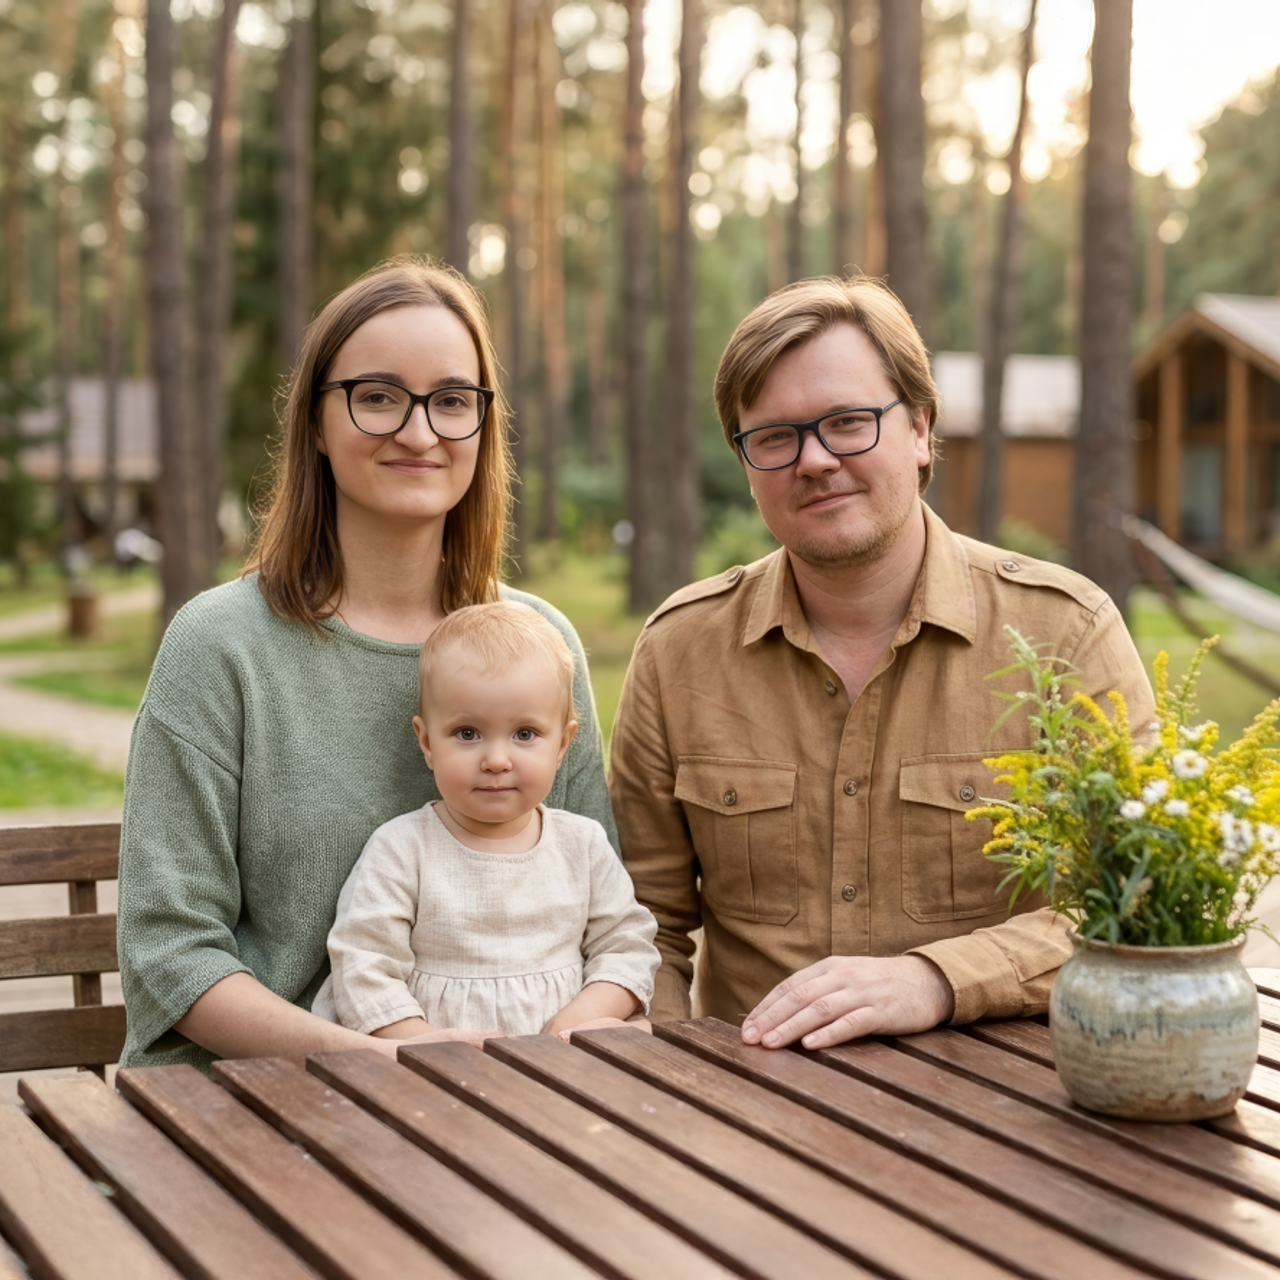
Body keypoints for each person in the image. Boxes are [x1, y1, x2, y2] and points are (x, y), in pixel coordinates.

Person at [609, 275, 1154, 1052]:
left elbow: (1130, 903)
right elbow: (639, 924)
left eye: (848, 422)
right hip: (751, 1116)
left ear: (921, 430)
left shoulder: (1065, 635)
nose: (815, 459)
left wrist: (936, 979)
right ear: (746, 460)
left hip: (1008, 1120)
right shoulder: (677, 652)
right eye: (775, 436)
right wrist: (678, 1081)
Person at [117, 258, 618, 1071]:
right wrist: (380, 1061)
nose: (418, 432)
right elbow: (171, 952)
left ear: (484, 425)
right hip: (245, 1101)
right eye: (378, 396)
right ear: (317, 421)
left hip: (494, 1098)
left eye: (452, 401)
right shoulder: (220, 645)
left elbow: (601, 909)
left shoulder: (540, 640)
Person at [312, 601, 659, 1039]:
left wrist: (581, 1017)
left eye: (525, 734)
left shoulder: (582, 846)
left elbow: (627, 945)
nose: (496, 760)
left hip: (564, 1065)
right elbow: (362, 963)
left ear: (564, 743)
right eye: (467, 734)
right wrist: (419, 1041)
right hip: (433, 1071)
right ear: (427, 741)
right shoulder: (402, 849)